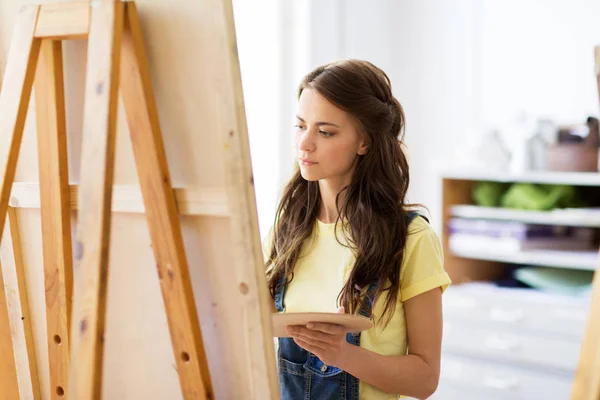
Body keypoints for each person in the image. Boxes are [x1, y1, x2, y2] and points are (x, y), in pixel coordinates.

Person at [263, 59, 451, 400]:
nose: (304, 143)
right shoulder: (287, 229)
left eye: (325, 131)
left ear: (364, 142)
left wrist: (342, 355)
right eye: (300, 125)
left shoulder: (410, 238)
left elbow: (425, 380)